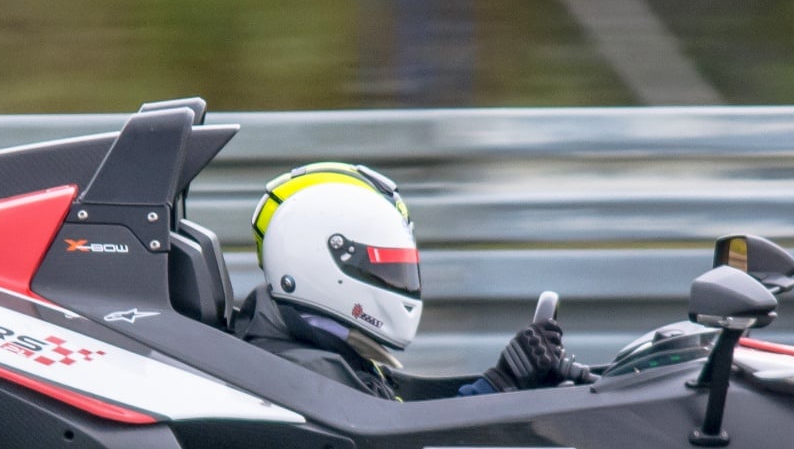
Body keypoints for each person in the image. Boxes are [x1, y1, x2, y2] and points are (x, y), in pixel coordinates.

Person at [231, 162, 580, 400]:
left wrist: (504, 384)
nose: (399, 282)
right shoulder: (305, 373)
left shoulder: (321, 349)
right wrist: (501, 383)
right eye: (385, 267)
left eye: (402, 268)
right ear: (319, 260)